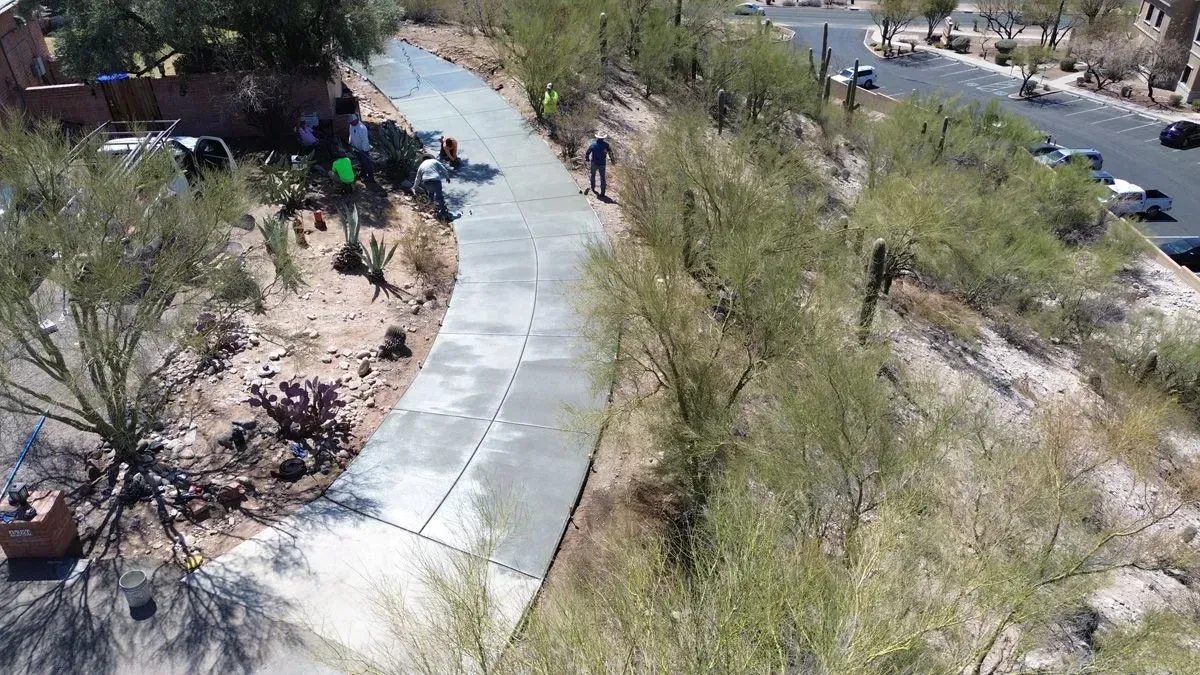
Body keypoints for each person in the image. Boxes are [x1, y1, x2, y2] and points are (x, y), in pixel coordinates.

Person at [415, 153, 453, 219]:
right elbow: (444, 169)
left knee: (431, 193)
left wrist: (414, 187)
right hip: (436, 180)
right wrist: (447, 177)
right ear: (431, 157)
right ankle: (443, 212)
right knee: (439, 197)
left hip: (426, 181)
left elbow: (418, 178)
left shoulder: (421, 165)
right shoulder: (434, 161)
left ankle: (431, 208)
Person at [584, 130, 615, 198]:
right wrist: (613, 161)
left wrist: (587, 158)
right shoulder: (606, 145)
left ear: (597, 137)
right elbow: (610, 153)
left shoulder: (593, 144)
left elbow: (588, 152)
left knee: (593, 175)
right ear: (603, 138)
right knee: (602, 178)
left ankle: (593, 188)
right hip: (602, 164)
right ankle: (602, 193)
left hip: (594, 162)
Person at [347, 114, 374, 182]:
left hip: (363, 149)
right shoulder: (351, 125)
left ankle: (371, 178)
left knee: (366, 163)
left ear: (356, 120)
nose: (350, 123)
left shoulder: (362, 128)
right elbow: (351, 134)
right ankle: (363, 174)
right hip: (356, 148)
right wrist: (350, 141)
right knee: (361, 162)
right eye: (350, 122)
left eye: (352, 122)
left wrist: (364, 150)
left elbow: (365, 140)